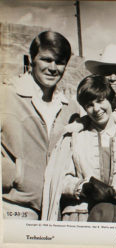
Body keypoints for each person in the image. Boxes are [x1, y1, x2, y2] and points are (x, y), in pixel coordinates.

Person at [41, 75, 116, 223]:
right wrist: (83, 187)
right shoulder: (73, 138)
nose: (96, 109)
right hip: (81, 216)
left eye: (100, 101)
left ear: (110, 100)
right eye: (89, 105)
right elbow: (58, 180)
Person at [0, 31, 80, 220]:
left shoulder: (70, 107)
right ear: (32, 60)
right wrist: (11, 174)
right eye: (46, 59)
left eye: (59, 62)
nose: (53, 68)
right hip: (12, 206)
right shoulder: (7, 95)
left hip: (53, 210)